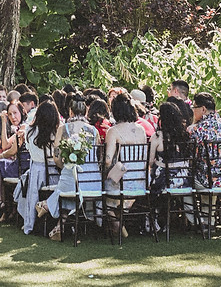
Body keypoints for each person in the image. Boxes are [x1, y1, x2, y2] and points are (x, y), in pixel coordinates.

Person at [43, 91, 100, 239]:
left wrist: (65, 167)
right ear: (86, 110)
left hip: (74, 181)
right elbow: (98, 158)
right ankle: (58, 224)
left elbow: (56, 158)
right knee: (69, 183)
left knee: (67, 182)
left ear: (70, 110)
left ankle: (47, 206)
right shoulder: (94, 131)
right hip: (94, 182)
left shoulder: (64, 129)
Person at [103, 92, 149, 235]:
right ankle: (121, 225)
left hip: (123, 181)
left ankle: (117, 226)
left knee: (102, 198)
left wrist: (105, 171)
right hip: (140, 181)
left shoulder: (113, 131)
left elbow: (108, 160)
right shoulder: (141, 130)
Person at [14, 97, 60, 234]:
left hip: (36, 173)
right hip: (55, 174)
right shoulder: (57, 133)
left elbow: (28, 149)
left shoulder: (29, 131)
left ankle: (32, 220)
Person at [189, 92, 221, 193]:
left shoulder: (197, 129)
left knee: (184, 180)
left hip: (208, 181)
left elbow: (191, 157)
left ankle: (191, 209)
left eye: (194, 108)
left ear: (203, 109)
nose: (193, 111)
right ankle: (208, 208)